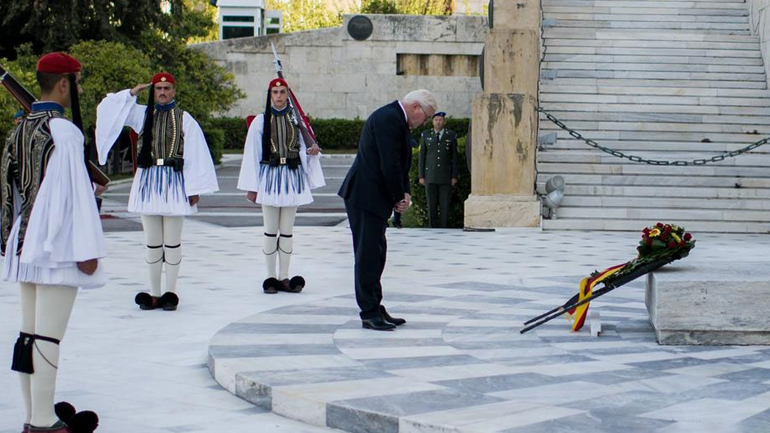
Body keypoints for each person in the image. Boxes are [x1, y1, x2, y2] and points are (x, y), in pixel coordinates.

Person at [3, 52, 105, 433]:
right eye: (76, 82)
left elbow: (7, 191)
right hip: (55, 245)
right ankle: (46, 423)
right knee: (47, 335)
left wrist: (9, 238)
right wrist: (87, 250)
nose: (79, 89)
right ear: (63, 84)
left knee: (28, 334)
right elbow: (75, 196)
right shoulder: (64, 133)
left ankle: (33, 417)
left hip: (24, 241)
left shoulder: (19, 129)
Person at [95, 72, 219, 311]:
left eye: (167, 88)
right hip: (148, 181)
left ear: (174, 91)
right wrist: (131, 93)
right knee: (152, 243)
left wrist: (194, 188)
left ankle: (170, 292)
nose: (162, 92)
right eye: (159, 88)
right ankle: (154, 292)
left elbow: (196, 152)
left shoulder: (184, 118)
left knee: (172, 243)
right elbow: (108, 109)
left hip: (174, 182)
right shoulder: (142, 114)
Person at [338, 90, 438, 331]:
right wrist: (398, 197)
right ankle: (368, 312)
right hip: (364, 196)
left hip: (373, 197)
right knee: (367, 256)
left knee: (377, 253)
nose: (424, 122)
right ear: (415, 107)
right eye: (425, 117)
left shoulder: (396, 119)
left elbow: (400, 163)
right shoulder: (389, 118)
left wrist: (405, 192)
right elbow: (389, 163)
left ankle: (376, 306)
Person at [238, 78, 324, 294]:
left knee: (286, 232)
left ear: (288, 94)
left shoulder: (297, 120)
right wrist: (252, 186)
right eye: (275, 92)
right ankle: (270, 277)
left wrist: (311, 152)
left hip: (292, 177)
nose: (278, 96)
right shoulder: (260, 121)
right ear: (270, 95)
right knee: (270, 231)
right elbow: (252, 154)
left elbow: (305, 148)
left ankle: (284, 276)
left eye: (282, 92)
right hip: (269, 177)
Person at [418, 111, 458, 228]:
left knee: (445, 204)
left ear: (444, 122)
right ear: (432, 122)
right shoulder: (426, 135)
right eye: (436, 120)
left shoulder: (451, 135)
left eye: (440, 120)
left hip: (445, 175)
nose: (438, 122)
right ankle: (432, 227)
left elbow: (454, 157)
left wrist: (454, 176)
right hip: (430, 175)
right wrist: (421, 175)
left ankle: (444, 227)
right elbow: (422, 157)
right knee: (431, 204)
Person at [389, 137, 419, 229]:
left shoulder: (410, 141)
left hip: (401, 173)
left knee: (400, 198)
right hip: (391, 172)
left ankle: (396, 220)